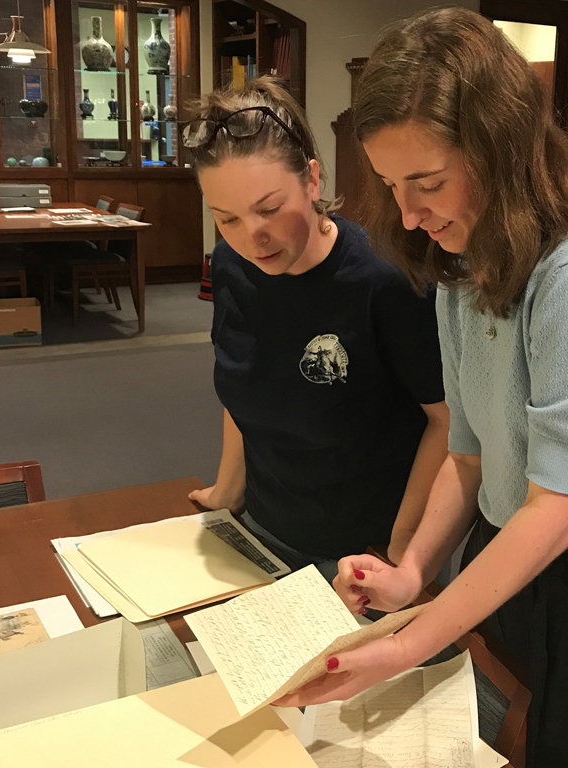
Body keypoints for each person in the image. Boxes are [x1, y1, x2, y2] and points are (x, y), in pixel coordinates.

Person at [275, 9, 568, 768]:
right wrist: (411, 573)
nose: (408, 213)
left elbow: (561, 510)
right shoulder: (462, 265)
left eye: (428, 182)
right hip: (507, 564)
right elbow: (469, 458)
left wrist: (411, 641)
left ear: (502, 148)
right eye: (389, 185)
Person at [184, 77, 449, 581]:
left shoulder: (383, 280)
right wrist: (226, 491)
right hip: (262, 531)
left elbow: (447, 421)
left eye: (269, 209)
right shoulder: (229, 265)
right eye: (227, 218)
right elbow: (245, 386)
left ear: (312, 180)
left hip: (362, 552)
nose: (251, 239)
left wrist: (402, 550)